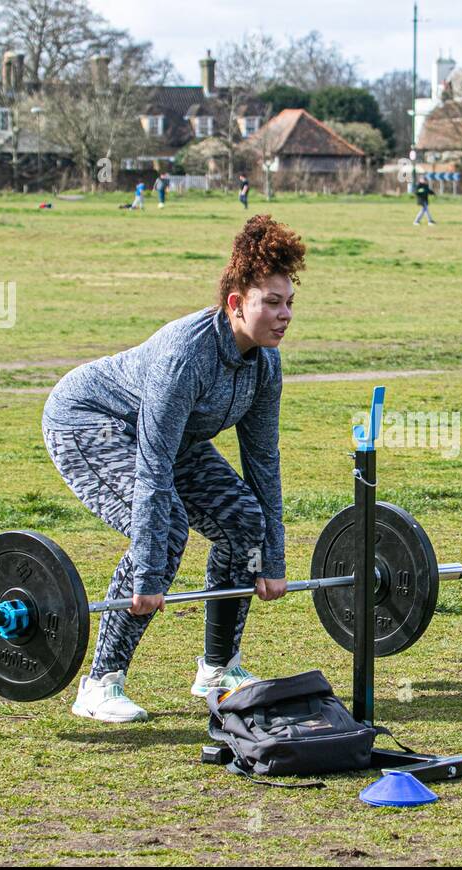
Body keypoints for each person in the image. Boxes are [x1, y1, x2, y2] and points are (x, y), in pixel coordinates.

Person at [41, 215, 304, 722]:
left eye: (289, 302)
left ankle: (219, 667)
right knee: (163, 534)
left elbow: (263, 464)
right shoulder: (185, 356)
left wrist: (272, 559)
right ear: (235, 304)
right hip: (88, 421)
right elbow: (154, 470)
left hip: (167, 436)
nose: (284, 314)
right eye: (271, 302)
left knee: (244, 521)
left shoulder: (266, 364)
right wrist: (147, 569)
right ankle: (100, 684)